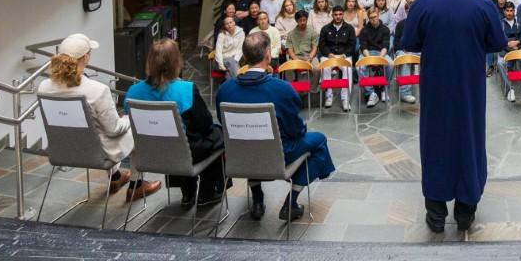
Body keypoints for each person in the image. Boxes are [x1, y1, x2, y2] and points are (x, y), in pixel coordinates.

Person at [400, 0, 506, 233]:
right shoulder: (481, 3)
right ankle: (465, 212)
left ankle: (436, 215)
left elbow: (409, 42)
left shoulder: (424, 3)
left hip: (435, 87)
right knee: (469, 139)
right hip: (470, 87)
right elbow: (498, 41)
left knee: (435, 140)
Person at [216, 32, 335, 221]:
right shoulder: (282, 89)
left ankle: (257, 199)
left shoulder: (225, 90)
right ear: (267, 55)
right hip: (278, 156)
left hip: (240, 156)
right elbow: (296, 130)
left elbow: (224, 124)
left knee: (250, 140)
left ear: (244, 56)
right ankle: (291, 202)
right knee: (319, 141)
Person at [37, 34, 161, 201]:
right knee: (135, 126)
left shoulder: (43, 87)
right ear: (86, 58)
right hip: (98, 154)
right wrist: (128, 119)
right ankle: (136, 186)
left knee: (97, 130)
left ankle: (115, 177)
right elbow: (114, 130)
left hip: (63, 150)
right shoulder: (97, 90)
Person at [125, 39, 225, 207]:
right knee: (216, 134)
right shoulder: (186, 89)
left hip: (150, 154)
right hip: (184, 155)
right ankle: (207, 192)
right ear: (176, 61)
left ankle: (188, 192)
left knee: (175, 138)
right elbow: (205, 123)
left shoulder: (133, 92)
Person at [318, 5, 356, 112]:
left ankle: (345, 98)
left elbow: (352, 45)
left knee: (348, 69)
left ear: (343, 15)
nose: (338, 16)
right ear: (332, 15)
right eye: (336, 14)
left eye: (340, 14)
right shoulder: (325, 29)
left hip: (344, 56)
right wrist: (329, 54)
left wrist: (345, 54)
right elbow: (322, 45)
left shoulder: (349, 28)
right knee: (325, 67)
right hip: (329, 56)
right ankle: (329, 95)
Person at [357, 6, 391, 107]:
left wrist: (379, 59)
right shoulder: (364, 30)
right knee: (359, 67)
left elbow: (385, 46)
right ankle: (371, 93)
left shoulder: (385, 29)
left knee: (391, 64)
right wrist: (370, 60)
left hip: (381, 53)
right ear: (368, 18)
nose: (373, 19)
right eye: (371, 17)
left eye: (375, 16)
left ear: (378, 15)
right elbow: (363, 47)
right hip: (367, 53)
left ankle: (385, 89)